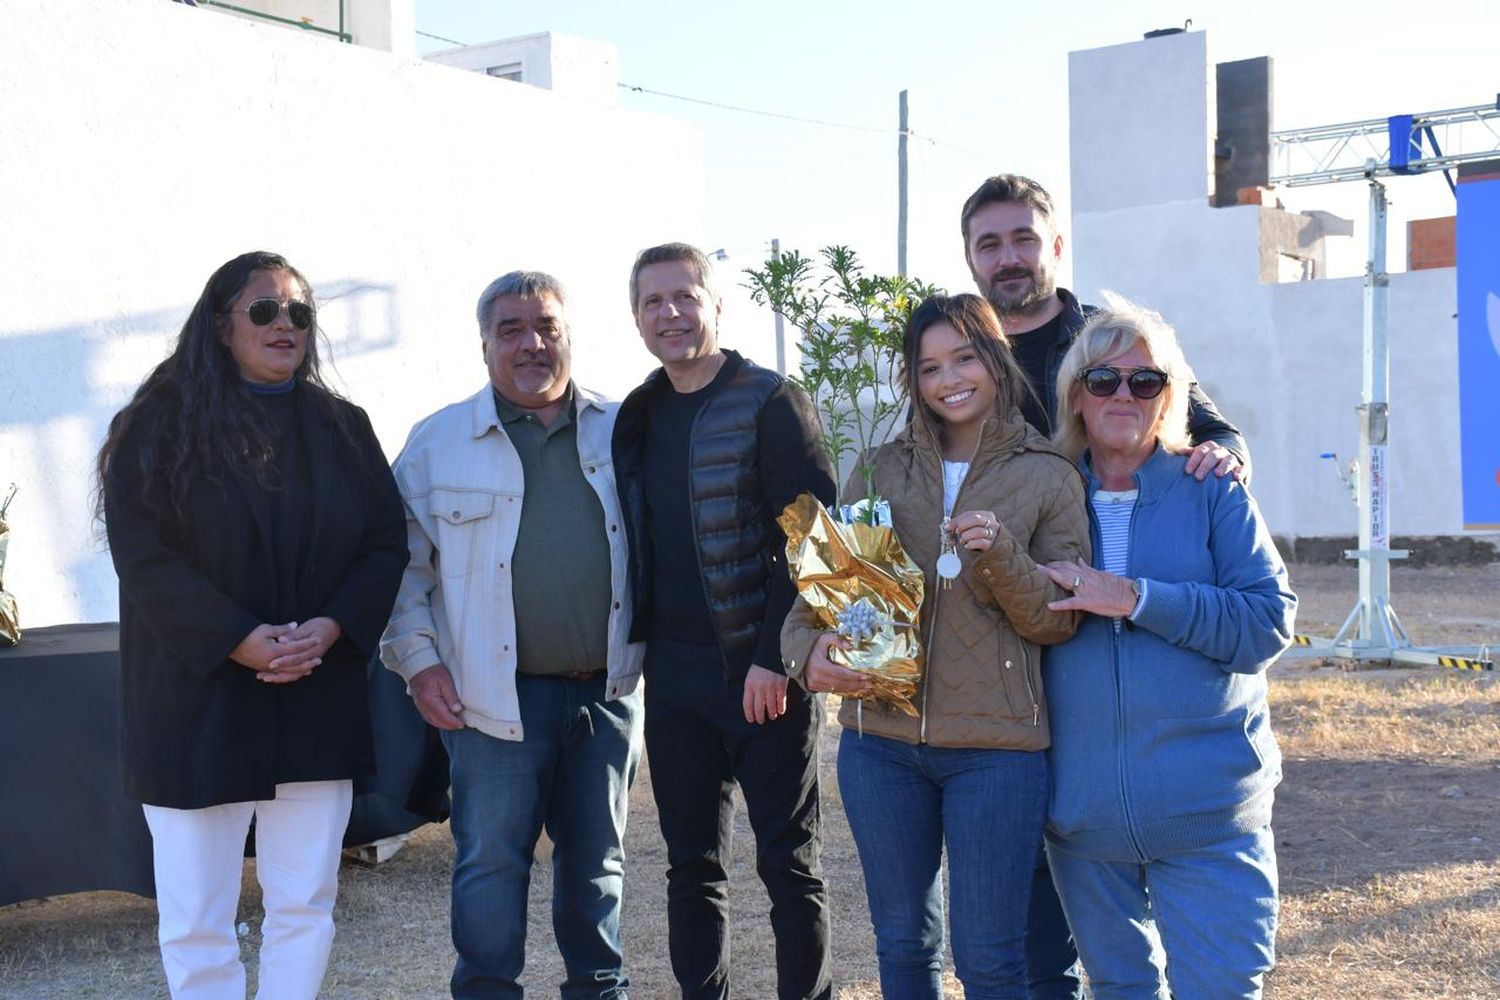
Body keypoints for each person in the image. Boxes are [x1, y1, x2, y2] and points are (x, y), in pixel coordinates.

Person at [960, 172, 1255, 997]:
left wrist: (1223, 463)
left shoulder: (1112, 344)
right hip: (1012, 694)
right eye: (991, 243)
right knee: (1039, 945)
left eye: (1024, 238)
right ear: (972, 259)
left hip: (1147, 710)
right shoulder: (969, 354)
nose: (1009, 257)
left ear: (1055, 245)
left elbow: (1209, 427)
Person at [97, 250, 409, 999]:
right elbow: (145, 558)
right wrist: (236, 636)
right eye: (264, 309)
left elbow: (382, 544)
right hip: (197, 700)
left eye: (300, 312)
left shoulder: (343, 426)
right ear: (219, 323)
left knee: (306, 901)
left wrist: (332, 626)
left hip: (314, 693)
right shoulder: (156, 427)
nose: (286, 324)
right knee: (198, 914)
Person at [782, 293, 1090, 999]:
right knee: (903, 949)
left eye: (965, 357)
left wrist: (1002, 554)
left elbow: (1056, 621)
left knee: (989, 961)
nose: (949, 378)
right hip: (879, 746)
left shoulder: (1049, 474)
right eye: (928, 367)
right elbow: (816, 603)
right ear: (912, 381)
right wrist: (810, 656)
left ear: (996, 359)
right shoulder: (880, 470)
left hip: (997, 754)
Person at [379, 271, 644, 1000]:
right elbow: (400, 569)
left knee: (598, 864)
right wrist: (419, 664)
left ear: (569, 334)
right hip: (490, 700)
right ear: (485, 343)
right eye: (511, 329)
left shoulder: (624, 429)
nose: (531, 343)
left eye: (546, 326)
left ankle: (600, 991)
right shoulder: (437, 444)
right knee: (491, 864)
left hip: (608, 692)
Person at [1038, 295, 1296, 999]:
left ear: (1170, 398)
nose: (1124, 393)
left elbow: (1268, 623)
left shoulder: (1213, 488)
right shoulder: (1042, 496)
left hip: (1209, 818)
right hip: (1084, 828)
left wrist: (1137, 598)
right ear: (1075, 397)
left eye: (1145, 380)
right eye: (1103, 379)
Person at [612, 243, 835, 1000]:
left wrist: (776, 657)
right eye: (652, 302)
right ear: (636, 316)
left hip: (761, 671)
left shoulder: (771, 401)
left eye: (684, 296)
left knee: (788, 864)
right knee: (691, 865)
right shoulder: (637, 414)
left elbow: (812, 540)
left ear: (714, 304)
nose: (669, 313)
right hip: (672, 679)